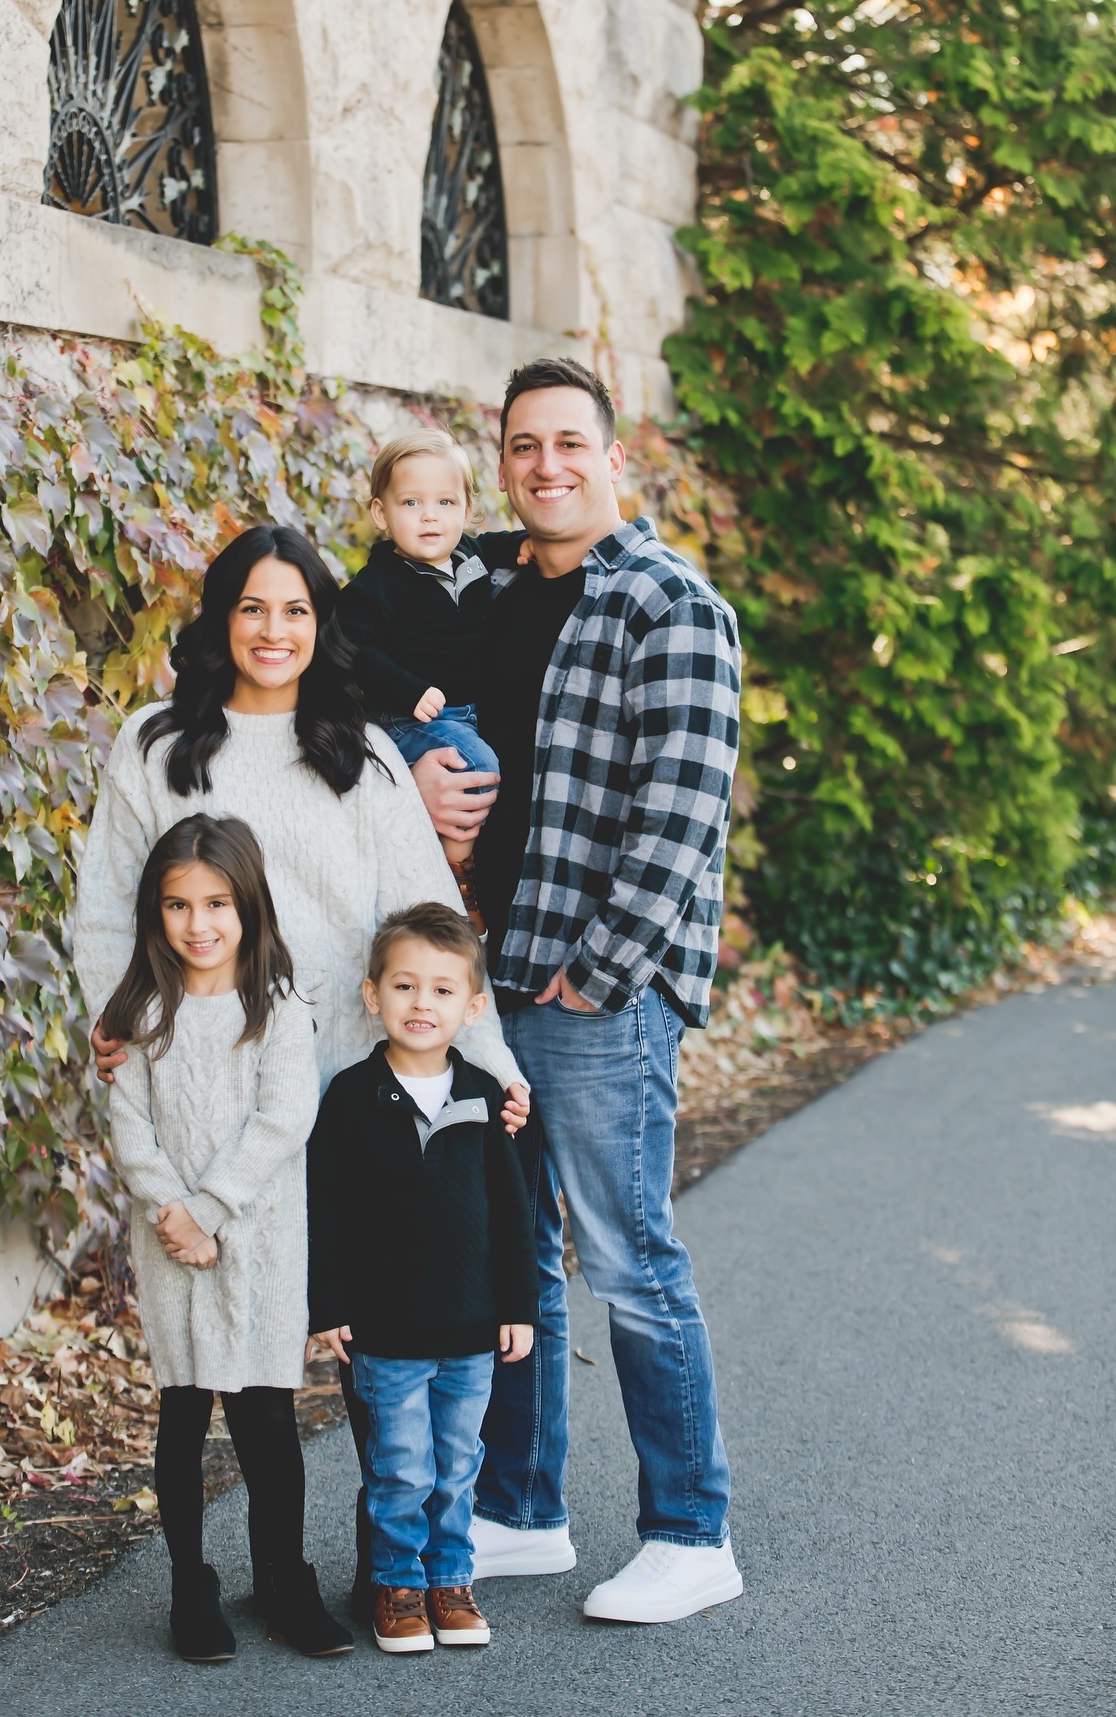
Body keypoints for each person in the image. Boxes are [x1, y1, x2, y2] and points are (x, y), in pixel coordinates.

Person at [75, 523, 530, 1621]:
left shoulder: (361, 755)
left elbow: (424, 911)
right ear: (220, 620)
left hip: (356, 1088)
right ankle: (254, 1574)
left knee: (386, 1330)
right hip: (212, 1098)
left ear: (323, 625)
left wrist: (488, 1058)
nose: (272, 631)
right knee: (240, 1348)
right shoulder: (154, 745)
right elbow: (106, 913)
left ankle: (397, 1567)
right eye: (252, 608)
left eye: (295, 611)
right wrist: (116, 1030)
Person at [410, 357, 746, 1625]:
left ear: (614, 457)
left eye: (567, 443)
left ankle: (692, 1532)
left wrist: (596, 972)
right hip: (488, 980)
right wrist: (416, 771)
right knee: (517, 1262)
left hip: (594, 991)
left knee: (629, 1257)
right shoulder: (486, 587)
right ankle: (522, 1512)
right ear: (502, 463)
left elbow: (682, 815)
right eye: (522, 446)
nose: (545, 465)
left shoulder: (672, 605)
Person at [95, 812, 349, 1661]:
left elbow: (284, 1119)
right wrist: (173, 1210)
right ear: (154, 912)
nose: (197, 924)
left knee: (266, 1417)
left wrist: (208, 1209)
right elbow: (131, 1130)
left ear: (248, 907)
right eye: (177, 906)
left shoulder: (275, 1006)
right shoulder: (140, 1012)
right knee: (182, 1413)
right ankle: (190, 1586)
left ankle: (284, 1579)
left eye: (215, 905)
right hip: (169, 1242)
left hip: (260, 1237)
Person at [306, 903, 538, 1654]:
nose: (421, 1003)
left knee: (458, 1465)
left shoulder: (484, 1096)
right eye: (404, 986)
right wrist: (328, 1305)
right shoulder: (351, 1096)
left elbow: (514, 1215)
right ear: (372, 995)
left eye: (442, 990)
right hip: (387, 1334)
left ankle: (451, 1582)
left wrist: (519, 1306)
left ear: (472, 1007)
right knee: (401, 1469)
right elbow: (326, 1209)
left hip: (471, 1331)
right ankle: (397, 1584)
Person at [338, 429, 523, 927]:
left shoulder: (471, 557)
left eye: (445, 502)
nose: (429, 516)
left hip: (464, 712)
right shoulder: (379, 585)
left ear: (466, 509)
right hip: (408, 716)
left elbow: (497, 545)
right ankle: (457, 879)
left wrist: (524, 545)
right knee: (478, 766)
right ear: (382, 514)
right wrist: (407, 688)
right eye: (411, 502)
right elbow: (354, 647)